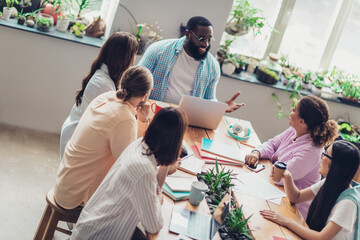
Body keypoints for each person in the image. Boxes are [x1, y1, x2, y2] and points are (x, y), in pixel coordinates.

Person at [71, 107, 187, 239]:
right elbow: (154, 225)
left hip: (92, 224)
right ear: (175, 143)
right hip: (100, 235)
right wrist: (157, 198)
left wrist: (165, 166)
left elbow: (154, 188)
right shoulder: (144, 170)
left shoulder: (139, 145)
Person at [54, 66, 153, 210]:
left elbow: (126, 145)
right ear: (144, 96)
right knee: (136, 202)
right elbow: (128, 165)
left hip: (66, 182)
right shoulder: (125, 119)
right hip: (78, 195)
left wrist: (141, 121)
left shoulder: (107, 97)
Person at [245, 95, 338, 217]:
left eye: (294, 110)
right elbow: (273, 144)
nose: (290, 111)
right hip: (274, 192)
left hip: (292, 208)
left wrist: (265, 165)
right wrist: (257, 152)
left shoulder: (312, 151)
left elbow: (278, 177)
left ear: (302, 121)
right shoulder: (294, 131)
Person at [138, 16, 244, 113]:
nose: (206, 44)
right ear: (188, 35)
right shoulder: (158, 50)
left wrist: (221, 107)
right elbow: (136, 79)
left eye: (209, 39)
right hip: (153, 111)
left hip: (186, 118)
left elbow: (209, 98)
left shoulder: (213, 66)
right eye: (202, 39)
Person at [60, 32, 138, 159]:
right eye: (133, 55)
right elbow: (115, 120)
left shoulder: (106, 75)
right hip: (77, 139)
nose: (133, 61)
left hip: (78, 131)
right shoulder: (103, 85)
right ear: (124, 58)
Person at [260, 140, 360, 240]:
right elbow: (296, 197)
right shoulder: (329, 182)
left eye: (325, 154)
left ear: (336, 165)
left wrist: (286, 221)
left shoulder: (348, 203)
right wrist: (287, 177)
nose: (321, 157)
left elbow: (321, 238)